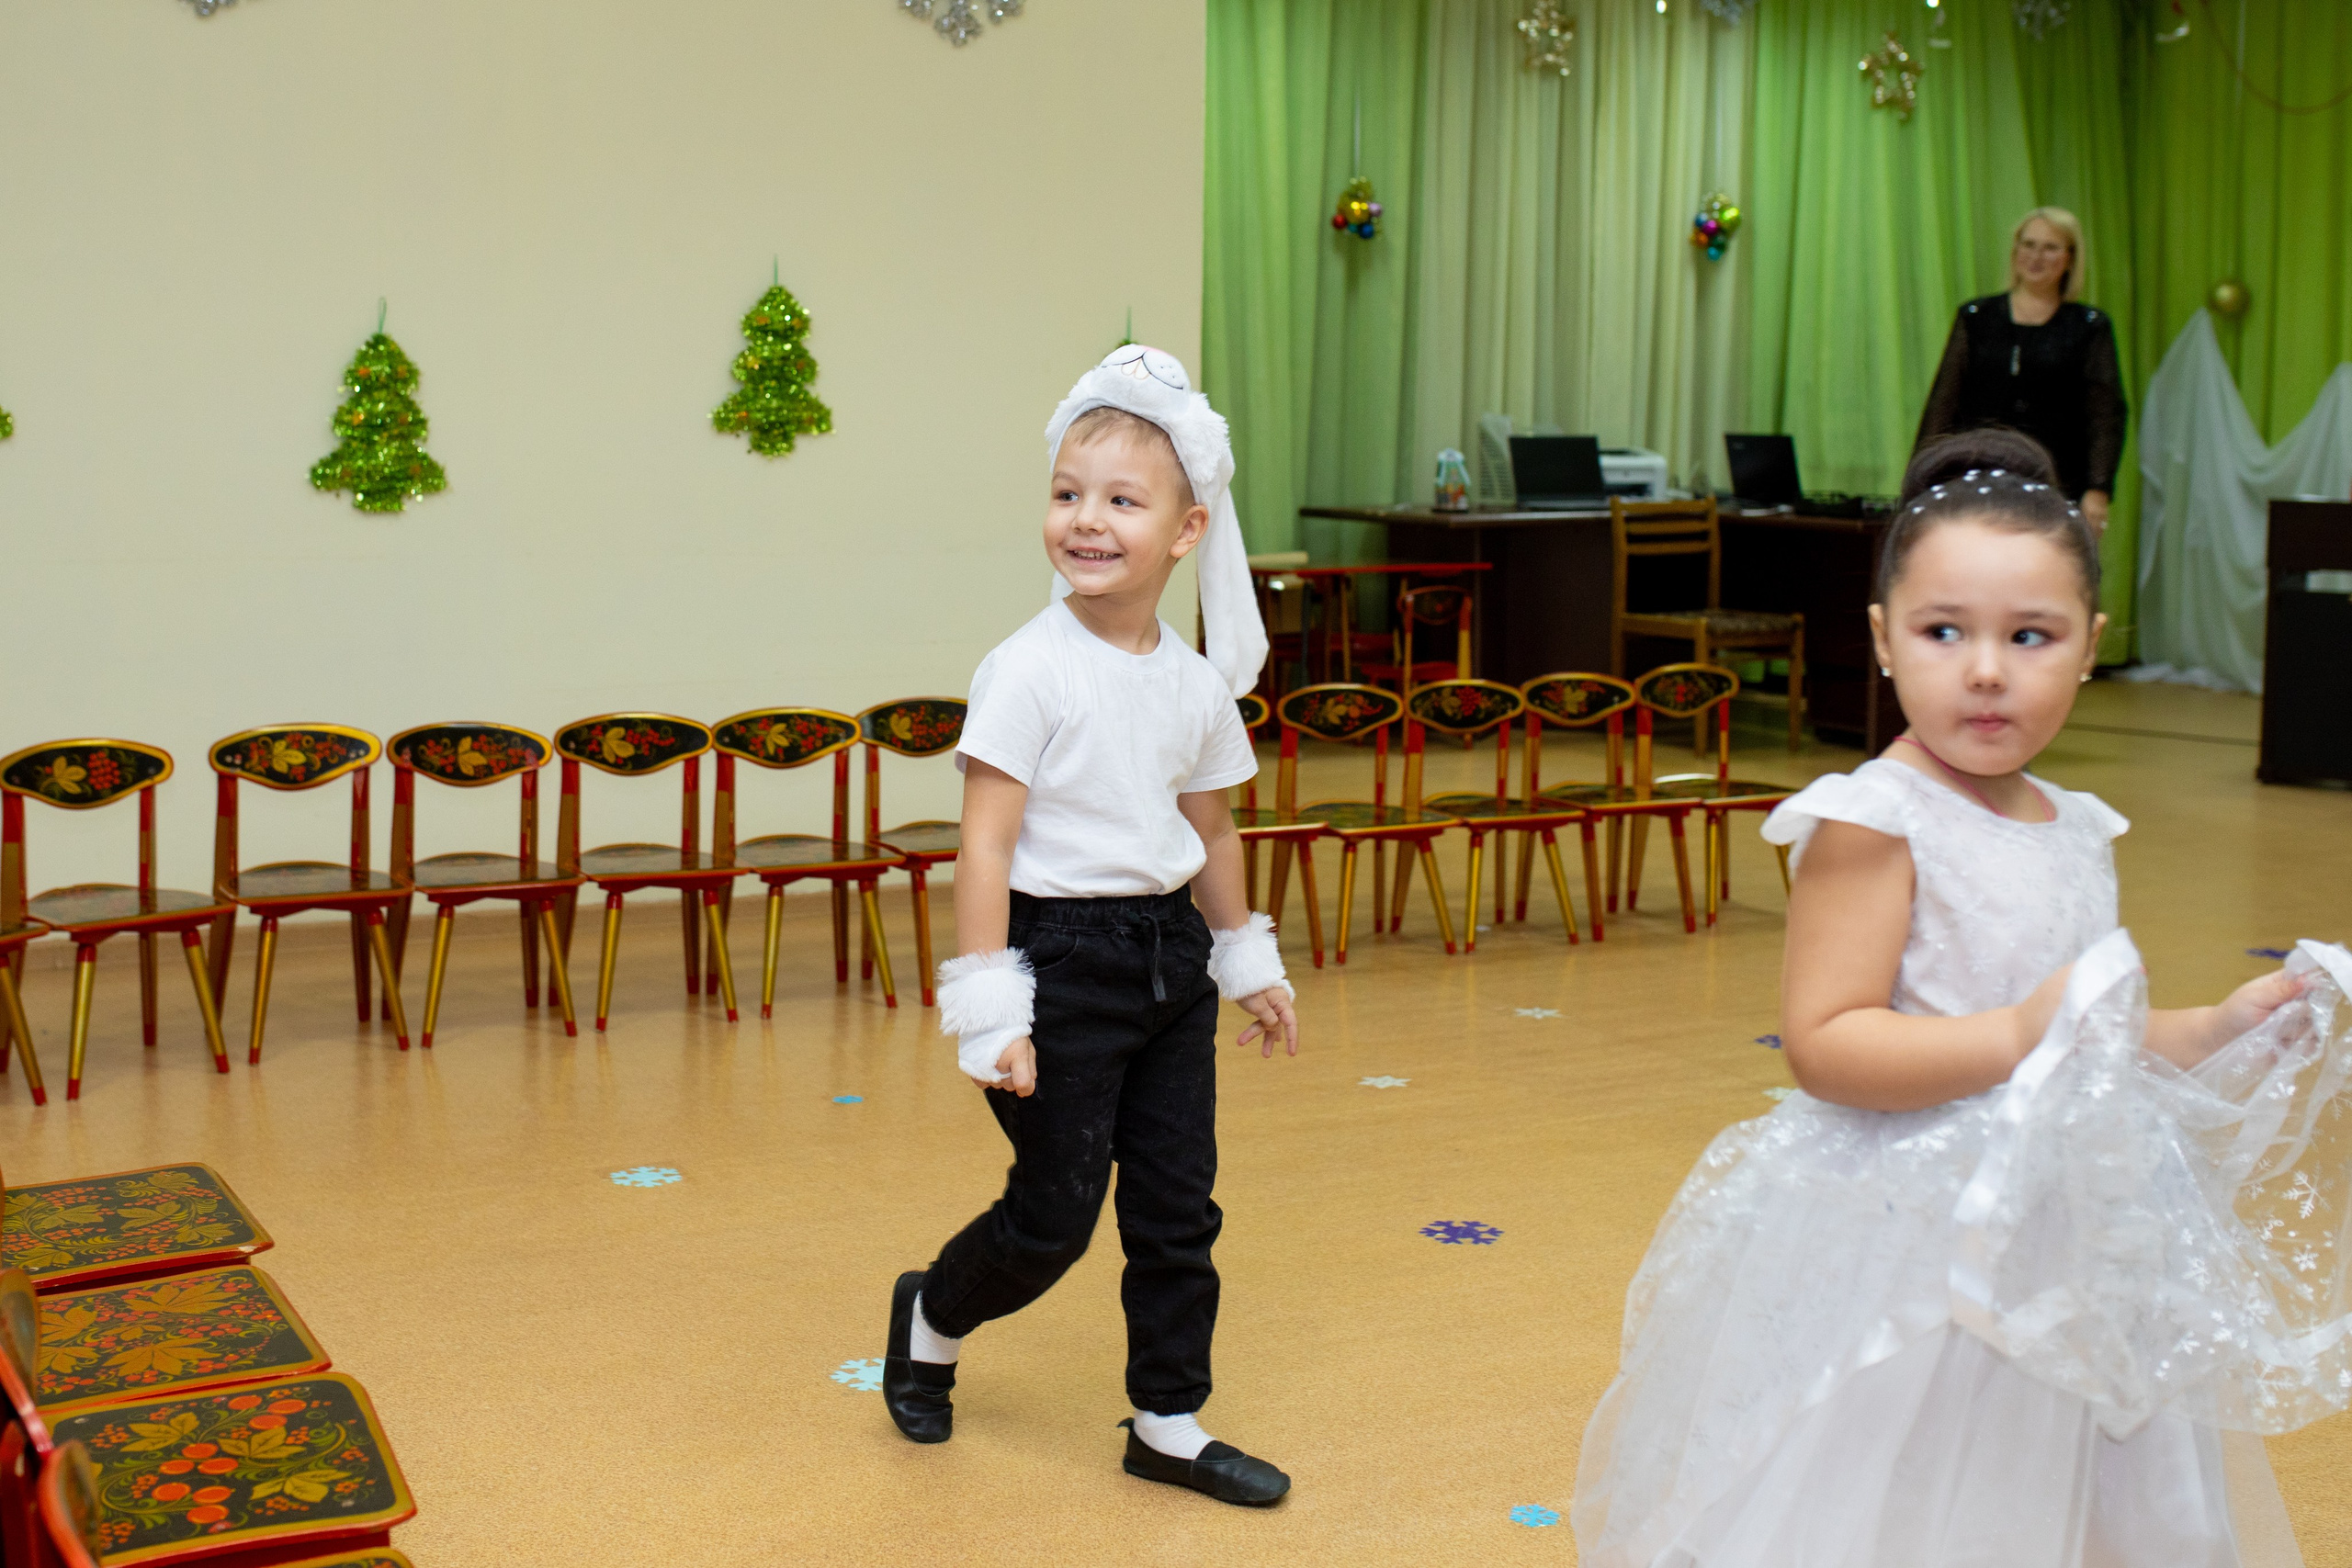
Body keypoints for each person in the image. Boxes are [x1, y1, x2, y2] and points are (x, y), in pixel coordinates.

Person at [1571, 430, 2352, 1565]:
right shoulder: (1873, 818)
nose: (1985, 670)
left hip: (2071, 1232)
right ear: (1884, 640)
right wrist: (2019, 1035)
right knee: (1912, 1490)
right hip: (1915, 1239)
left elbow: (2101, 1039)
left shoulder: (2080, 826)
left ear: (2090, 647)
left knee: (2081, 1488)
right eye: (1945, 632)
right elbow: (1828, 1044)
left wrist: (2228, 1025)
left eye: (2029, 636)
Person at [881, 344, 1301, 1507]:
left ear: (1184, 531)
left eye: (1122, 499)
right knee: (1055, 1217)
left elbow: (1209, 834)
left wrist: (1243, 958)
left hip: (1168, 958)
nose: (1086, 520)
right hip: (1056, 965)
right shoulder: (1026, 669)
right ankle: (933, 1312)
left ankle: (1166, 1419)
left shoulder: (1196, 686)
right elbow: (985, 846)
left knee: (1179, 1208)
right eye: (1068, 493)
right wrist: (990, 1010)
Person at [1916, 207, 2126, 534]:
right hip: (1975, 475)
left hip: (2058, 481)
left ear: (2070, 258)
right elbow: (1944, 401)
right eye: (2028, 245)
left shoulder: (2088, 326)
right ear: (2015, 252)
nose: (2036, 257)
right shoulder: (1976, 317)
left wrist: (2098, 490)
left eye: (2050, 248)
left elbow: (2104, 414)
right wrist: (1923, 476)